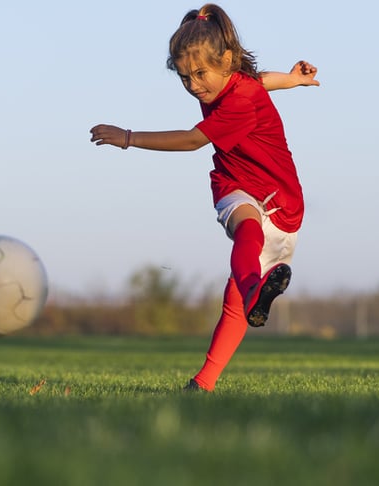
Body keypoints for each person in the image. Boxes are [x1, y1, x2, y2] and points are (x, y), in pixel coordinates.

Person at [89, 3, 319, 392]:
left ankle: (212, 367)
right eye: (184, 78)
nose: (194, 85)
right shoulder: (233, 81)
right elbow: (261, 79)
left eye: (200, 74)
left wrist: (128, 138)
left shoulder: (239, 99)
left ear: (226, 61)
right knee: (247, 229)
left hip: (282, 203)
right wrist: (293, 79)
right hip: (235, 184)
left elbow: (193, 140)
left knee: (234, 307)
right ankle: (244, 310)